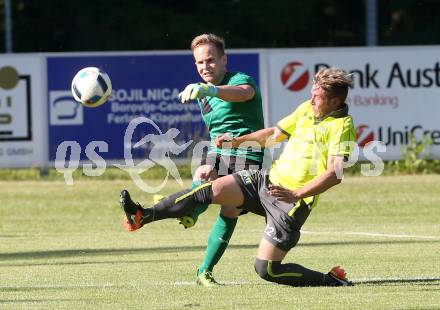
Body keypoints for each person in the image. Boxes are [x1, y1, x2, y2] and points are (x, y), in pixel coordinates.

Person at [120, 67, 356, 287]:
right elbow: (274, 134)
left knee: (267, 270)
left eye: (318, 96)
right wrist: (238, 141)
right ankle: (142, 215)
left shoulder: (342, 125)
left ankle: (331, 280)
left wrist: (296, 193)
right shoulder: (306, 109)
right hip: (265, 182)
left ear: (335, 101)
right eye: (312, 93)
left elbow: (334, 174)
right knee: (206, 191)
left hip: (291, 202)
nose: (312, 98)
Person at [167, 33, 265, 286]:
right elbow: (214, 134)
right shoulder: (202, 94)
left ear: (224, 59)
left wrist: (211, 90)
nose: (205, 67)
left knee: (229, 209)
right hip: (220, 151)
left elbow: (243, 94)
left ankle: (203, 265)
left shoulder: (239, 80)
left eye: (210, 60)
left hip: (247, 154)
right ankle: (190, 211)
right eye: (200, 63)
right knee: (203, 174)